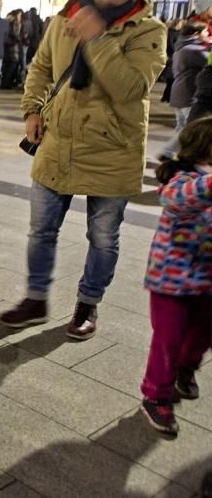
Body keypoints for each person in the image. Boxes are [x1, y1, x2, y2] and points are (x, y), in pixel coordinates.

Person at [0, 0, 168, 338]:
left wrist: (97, 38)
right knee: (41, 230)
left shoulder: (150, 30)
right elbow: (41, 68)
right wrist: (32, 110)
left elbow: (130, 87)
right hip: (60, 141)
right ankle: (36, 298)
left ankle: (88, 305)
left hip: (114, 149)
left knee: (103, 238)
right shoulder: (65, 18)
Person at [139, 119, 212, 435]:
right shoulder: (184, 179)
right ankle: (155, 395)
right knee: (168, 340)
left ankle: (186, 368)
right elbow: (177, 199)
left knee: (202, 335)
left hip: (207, 281)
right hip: (171, 280)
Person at [159, 22, 210, 161]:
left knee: (182, 125)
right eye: (206, 32)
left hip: (178, 92)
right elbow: (208, 63)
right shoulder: (194, 50)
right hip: (188, 92)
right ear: (196, 34)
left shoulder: (181, 47)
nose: (208, 35)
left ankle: (172, 153)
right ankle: (170, 152)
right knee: (189, 127)